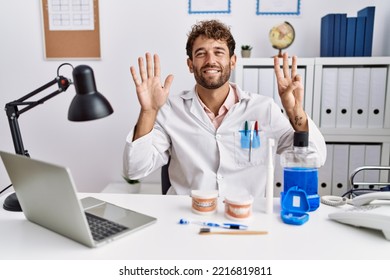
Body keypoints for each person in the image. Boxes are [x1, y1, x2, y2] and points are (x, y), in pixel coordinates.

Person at [123, 19, 326, 198]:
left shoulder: (263, 109)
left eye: (218, 52)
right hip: (186, 219)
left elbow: (316, 156)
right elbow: (134, 170)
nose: (210, 60)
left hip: (246, 219)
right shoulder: (171, 109)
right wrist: (148, 111)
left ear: (233, 61)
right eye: (201, 53)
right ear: (190, 64)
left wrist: (294, 111)